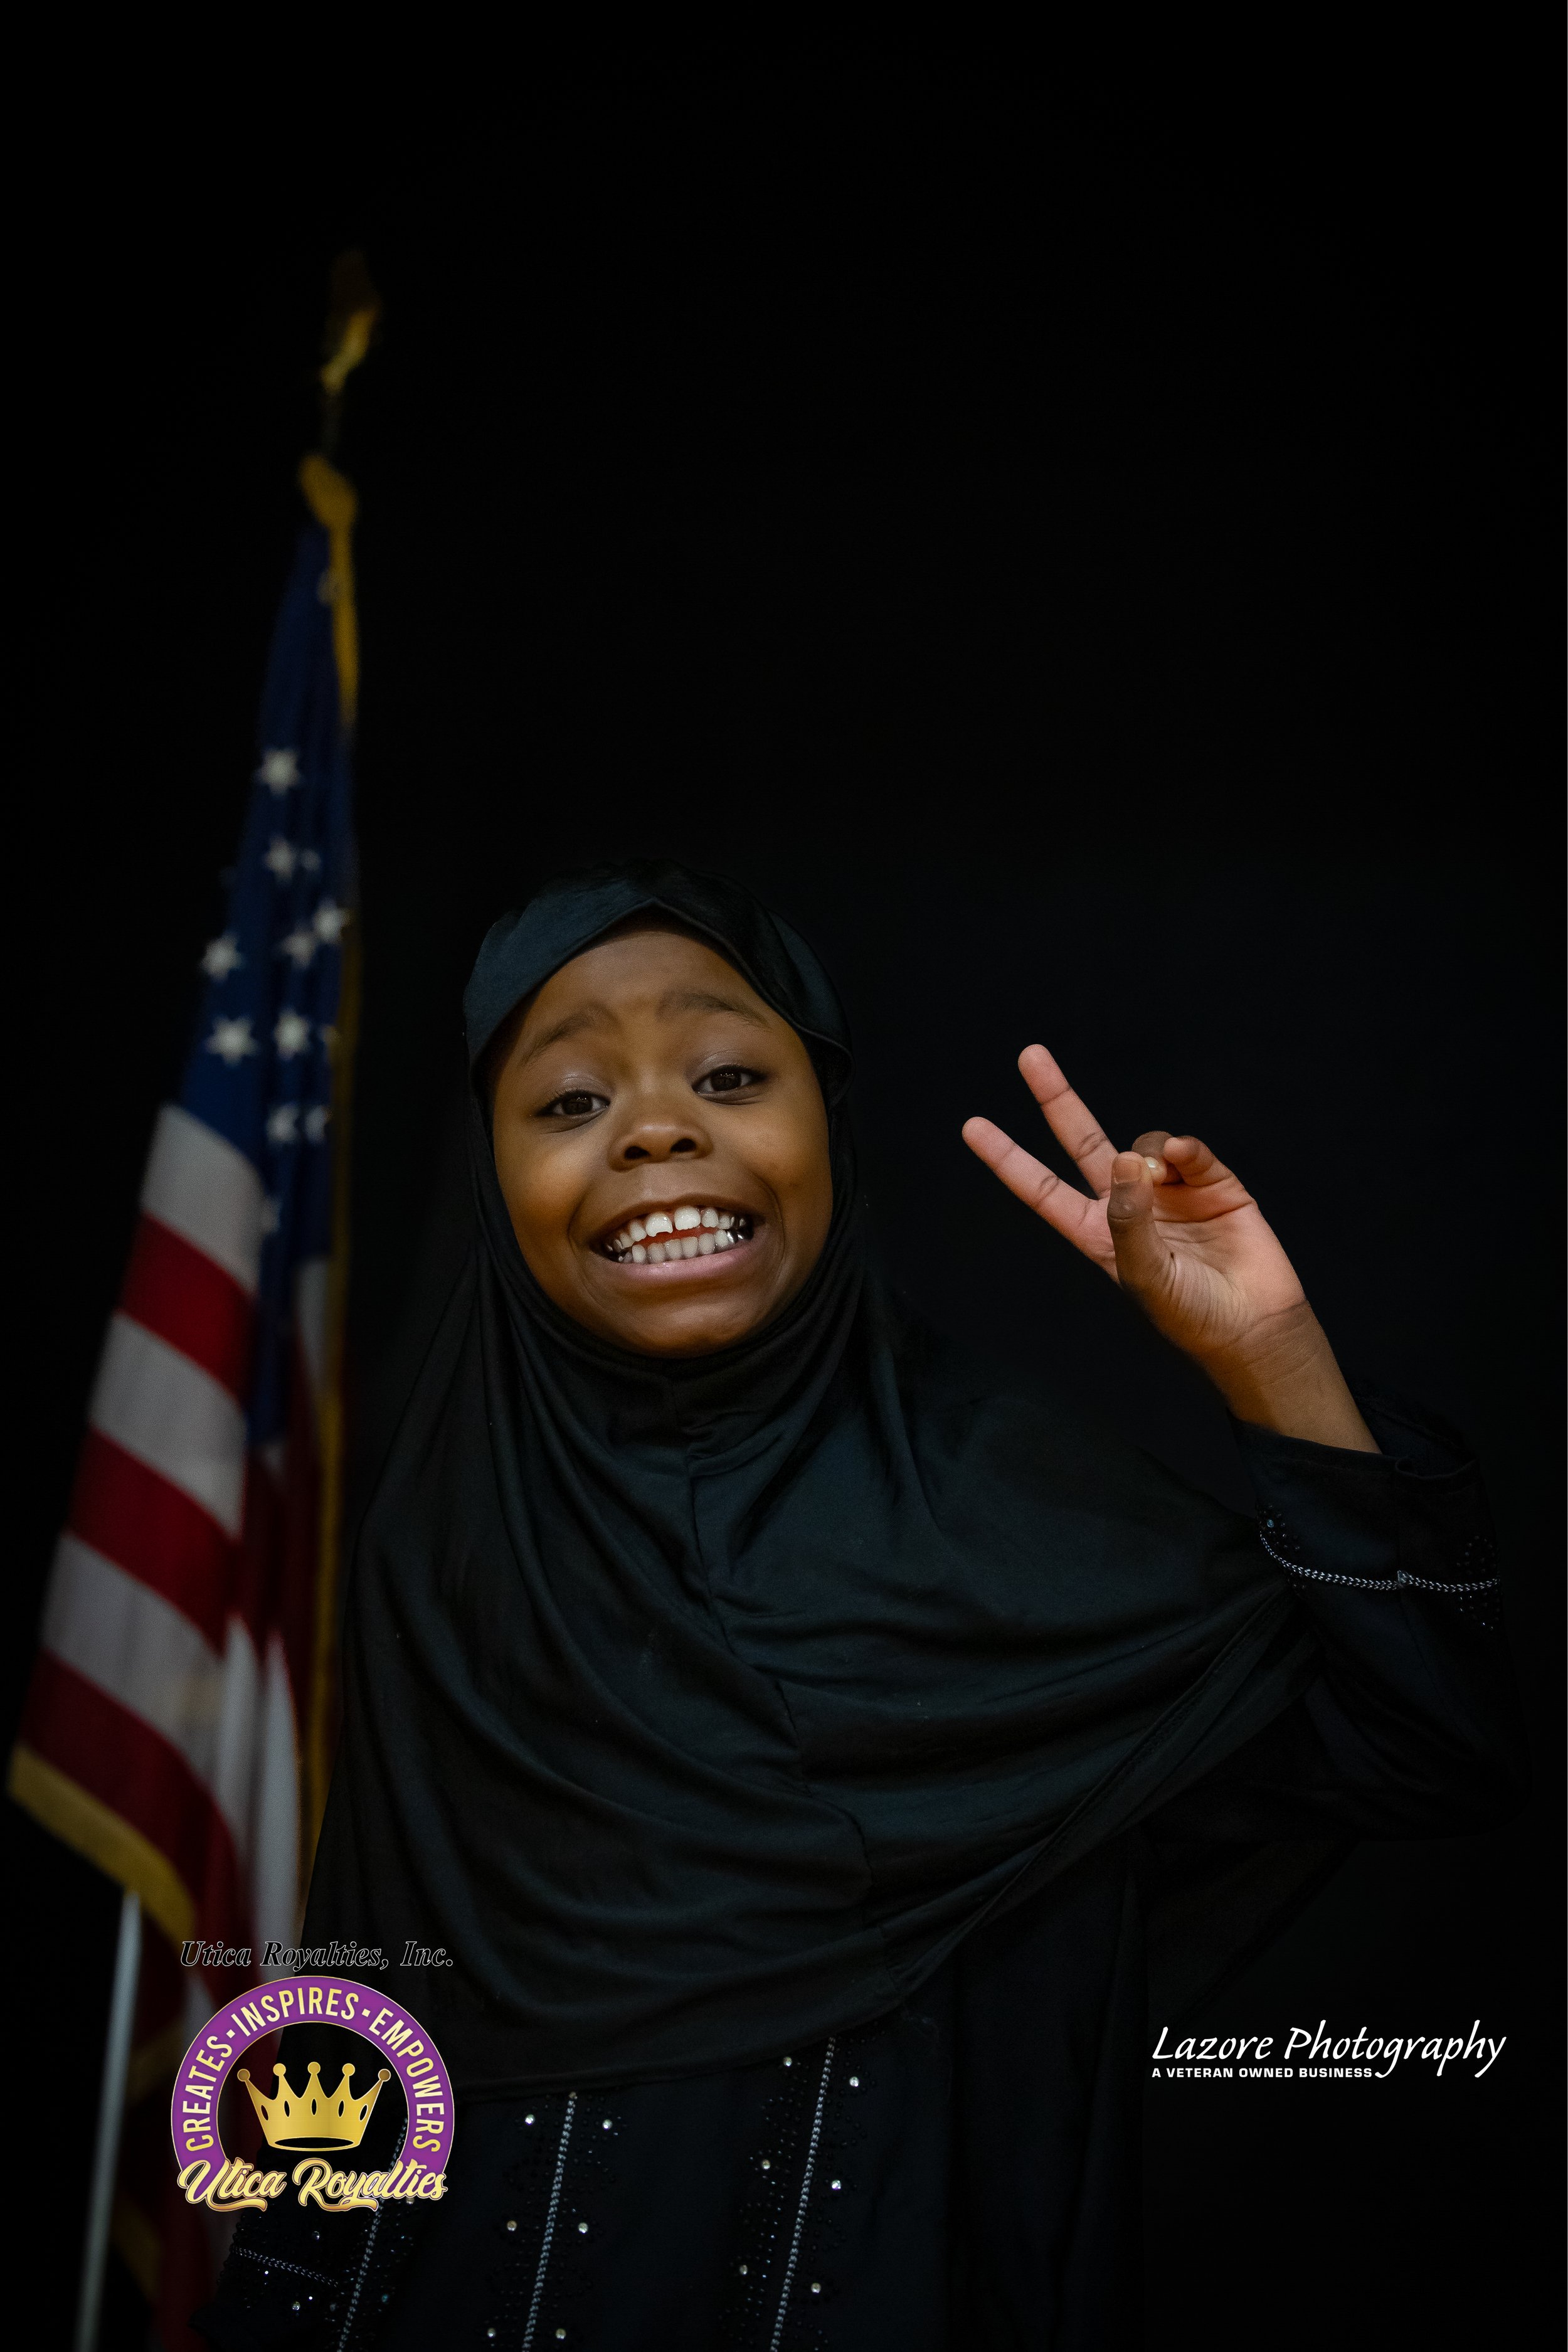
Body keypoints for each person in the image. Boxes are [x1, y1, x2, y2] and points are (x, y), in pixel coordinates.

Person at [196, 861, 1525, 2351]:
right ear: (496, 1184)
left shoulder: (1016, 1520)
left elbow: (1435, 1745)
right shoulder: (447, 1565)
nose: (653, 1128)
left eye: (726, 1072)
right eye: (568, 1102)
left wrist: (1271, 1358)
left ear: (825, 1123)